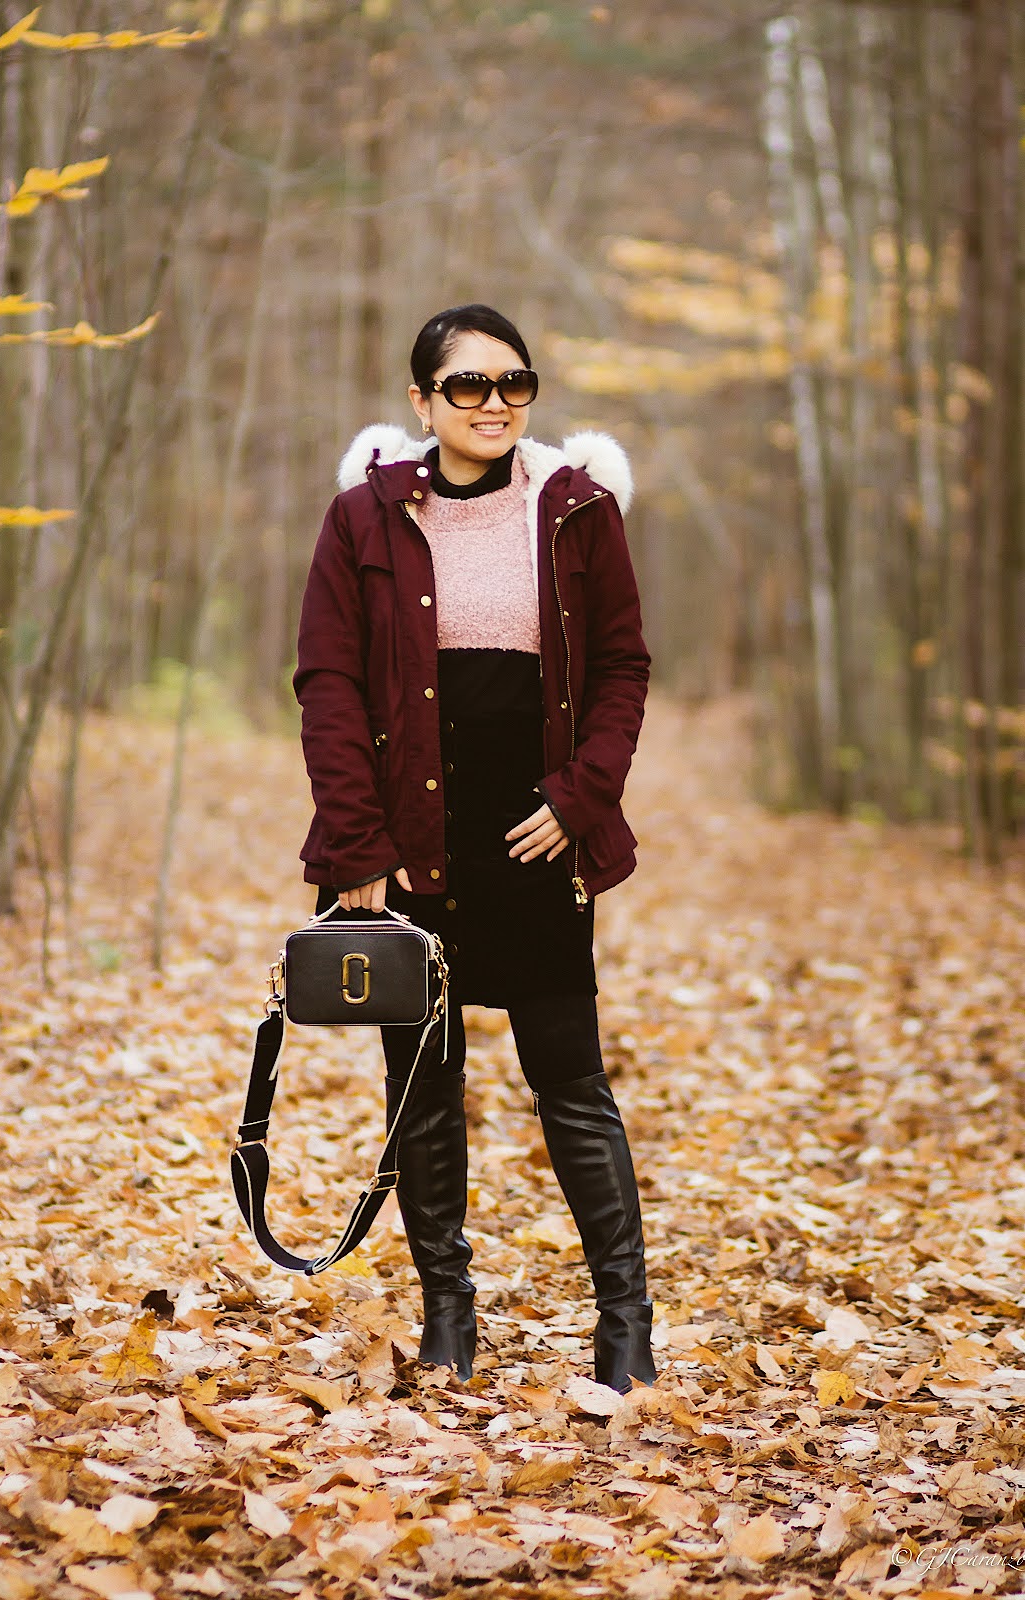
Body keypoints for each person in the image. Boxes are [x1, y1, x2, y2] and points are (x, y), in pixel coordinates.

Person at [293, 303, 656, 1393]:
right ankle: (449, 1313)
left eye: (514, 383)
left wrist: (584, 797)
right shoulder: (362, 518)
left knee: (572, 1082)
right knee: (425, 1083)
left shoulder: (578, 510)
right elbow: (330, 685)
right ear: (421, 402)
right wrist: (356, 842)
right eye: (467, 385)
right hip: (411, 844)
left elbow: (625, 668)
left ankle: (625, 1325)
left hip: (540, 839)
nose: (494, 403)